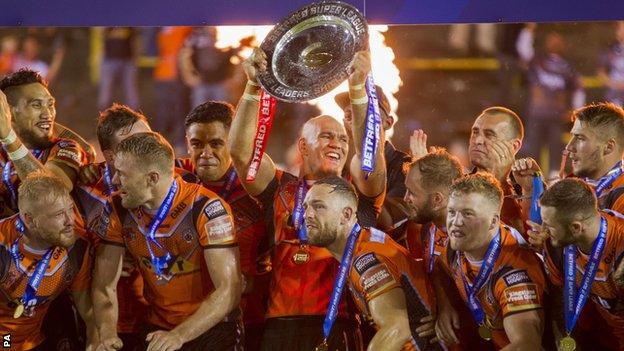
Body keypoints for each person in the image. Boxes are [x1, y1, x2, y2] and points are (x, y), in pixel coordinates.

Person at [228, 48, 386, 350]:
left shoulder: (359, 194)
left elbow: (370, 155)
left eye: (342, 138)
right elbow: (240, 152)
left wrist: (357, 88)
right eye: (327, 136)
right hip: (279, 328)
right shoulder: (280, 189)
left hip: (338, 325)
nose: (337, 143)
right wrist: (253, 86)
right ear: (303, 145)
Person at [93, 132, 242, 351]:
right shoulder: (118, 207)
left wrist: (179, 336)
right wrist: (107, 335)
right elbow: (103, 285)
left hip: (212, 327)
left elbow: (229, 290)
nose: (114, 181)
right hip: (157, 327)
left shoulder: (207, 208)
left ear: (152, 178)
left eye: (122, 174)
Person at [304, 176, 441, 350]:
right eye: (306, 206)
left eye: (319, 206)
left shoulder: (366, 259)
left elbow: (396, 329)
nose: (307, 214)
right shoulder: (365, 242)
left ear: (346, 215)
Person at [178, 100, 269, 351]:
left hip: (249, 322)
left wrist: (256, 279)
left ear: (232, 141)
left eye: (216, 143)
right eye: (197, 144)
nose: (205, 153)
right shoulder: (175, 179)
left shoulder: (257, 189)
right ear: (188, 143)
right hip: (187, 323)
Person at [434, 173, 548, 350]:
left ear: (493, 222)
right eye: (451, 212)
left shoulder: (515, 273)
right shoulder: (455, 246)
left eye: (468, 214)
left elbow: (527, 345)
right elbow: (439, 268)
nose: (455, 222)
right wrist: (444, 305)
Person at [73, 104, 152, 351]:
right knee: (7, 343)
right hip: (97, 322)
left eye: (149, 140)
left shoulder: (171, 178)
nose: (147, 150)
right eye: (134, 143)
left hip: (155, 320)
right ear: (109, 156)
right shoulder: (80, 190)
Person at [404, 149, 490, 351]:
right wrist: (441, 304)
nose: (405, 198)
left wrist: (448, 309)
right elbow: (440, 268)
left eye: (412, 192)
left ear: (437, 200)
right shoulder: (428, 227)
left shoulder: (479, 236)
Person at [0, 172, 96, 350]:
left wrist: (97, 341)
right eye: (59, 214)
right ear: (30, 220)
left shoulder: (77, 248)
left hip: (37, 338)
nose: (70, 221)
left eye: (70, 209)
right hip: (5, 339)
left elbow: (87, 308)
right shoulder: (2, 246)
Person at [529, 178, 624, 350]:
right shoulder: (556, 248)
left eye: (549, 226)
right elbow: (560, 303)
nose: (544, 231)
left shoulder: (620, 246)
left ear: (576, 227)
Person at [513, 103, 624, 214]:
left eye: (580, 138)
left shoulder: (620, 195)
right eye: (572, 136)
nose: (569, 146)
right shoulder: (572, 183)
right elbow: (535, 228)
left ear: (608, 147)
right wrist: (534, 189)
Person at [335, 86, 412, 241]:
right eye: (348, 112)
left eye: (363, 108)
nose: (353, 114)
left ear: (388, 122)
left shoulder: (406, 167)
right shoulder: (337, 167)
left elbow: (389, 223)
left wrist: (367, 192)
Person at [524, 32, 585, 174]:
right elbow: (523, 51)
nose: (554, 43)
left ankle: (554, 180)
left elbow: (578, 88)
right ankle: (532, 180)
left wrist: (575, 110)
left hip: (555, 116)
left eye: (557, 41)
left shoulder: (567, 67)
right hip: (537, 114)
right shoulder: (537, 61)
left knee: (555, 152)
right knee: (533, 151)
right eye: (551, 40)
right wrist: (528, 30)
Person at [468, 106, 527, 233]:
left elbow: (518, 245)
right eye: (475, 132)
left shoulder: (528, 192)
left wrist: (500, 181)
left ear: (514, 146)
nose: (478, 141)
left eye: (489, 135)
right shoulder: (457, 184)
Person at [98, 27, 139, 111]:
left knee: (131, 92)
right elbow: (100, 31)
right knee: (106, 93)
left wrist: (135, 58)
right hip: (109, 59)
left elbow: (135, 38)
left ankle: (134, 120)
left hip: (128, 59)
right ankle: (103, 118)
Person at [598, 21, 624, 106]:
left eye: (619, 28)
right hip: (614, 99)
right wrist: (614, 84)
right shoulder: (610, 51)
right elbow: (601, 74)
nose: (617, 32)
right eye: (616, 29)